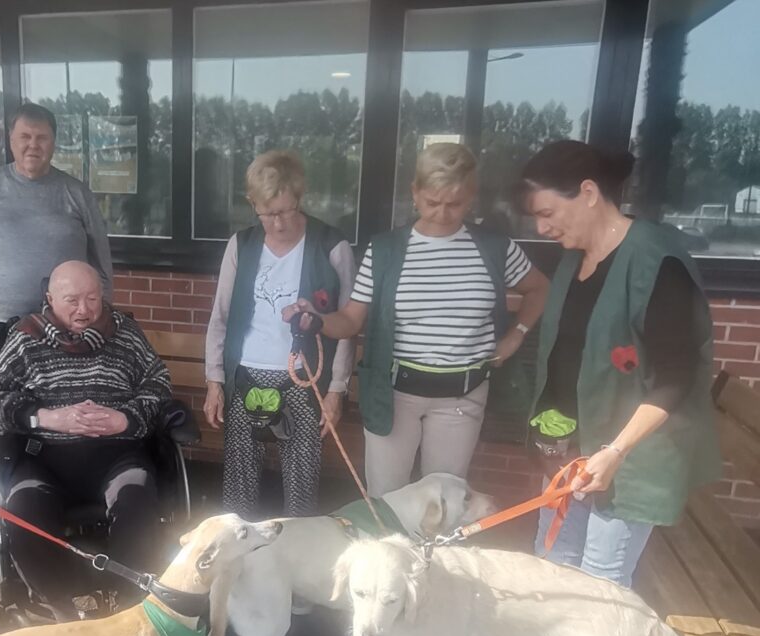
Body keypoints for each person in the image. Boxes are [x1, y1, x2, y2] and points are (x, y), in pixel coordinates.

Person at [285, 143, 549, 497]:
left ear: (471, 195)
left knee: (445, 501)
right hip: (394, 395)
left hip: (463, 394)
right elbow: (350, 320)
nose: (442, 213)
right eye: (432, 201)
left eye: (454, 203)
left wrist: (516, 334)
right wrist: (317, 320)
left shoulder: (495, 248)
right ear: (415, 192)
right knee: (388, 498)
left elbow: (540, 289)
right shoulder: (385, 251)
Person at [518, 140, 721, 587]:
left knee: (600, 586)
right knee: (551, 566)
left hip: (629, 458)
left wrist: (614, 453)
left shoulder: (656, 262)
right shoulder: (574, 260)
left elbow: (675, 379)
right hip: (572, 453)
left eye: (548, 213)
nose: (541, 226)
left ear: (588, 193)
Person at [0, 260, 171, 620]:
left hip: (118, 455)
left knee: (138, 504)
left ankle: (130, 609)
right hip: (46, 458)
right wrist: (44, 417)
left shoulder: (125, 332)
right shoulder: (25, 338)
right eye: (72, 300)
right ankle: (61, 611)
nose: (84, 310)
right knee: (22, 514)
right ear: (50, 299)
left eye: (93, 299)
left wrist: (126, 417)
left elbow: (158, 384)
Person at [204, 150, 355, 518]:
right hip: (246, 376)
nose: (278, 222)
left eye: (286, 210)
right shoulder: (241, 245)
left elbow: (350, 324)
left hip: (305, 381)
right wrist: (214, 380)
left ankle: (296, 563)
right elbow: (220, 316)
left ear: (299, 198)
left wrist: (337, 390)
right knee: (239, 490)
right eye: (268, 213)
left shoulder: (330, 245)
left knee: (301, 489)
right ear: (252, 204)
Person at [0, 103, 114, 353]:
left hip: (61, 330)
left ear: (53, 143)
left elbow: (102, 264)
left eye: (42, 137)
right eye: (25, 136)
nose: (33, 144)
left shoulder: (77, 193)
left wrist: (98, 322)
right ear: (11, 140)